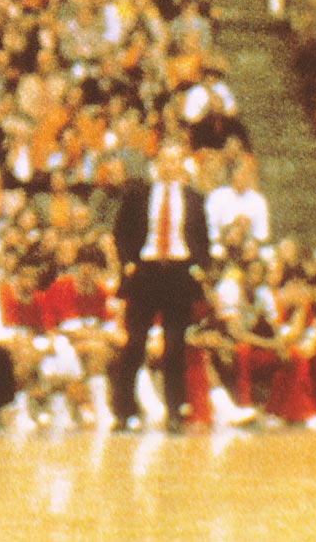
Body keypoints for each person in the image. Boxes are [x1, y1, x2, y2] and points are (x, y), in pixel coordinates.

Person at [109, 141, 210, 431]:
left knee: (175, 344)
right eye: (164, 160)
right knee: (135, 343)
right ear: (157, 164)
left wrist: (198, 266)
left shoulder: (193, 198)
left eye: (175, 160)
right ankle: (123, 410)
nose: (169, 166)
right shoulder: (139, 194)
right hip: (145, 272)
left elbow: (202, 238)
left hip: (178, 274)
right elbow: (121, 232)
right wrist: (128, 261)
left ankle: (175, 411)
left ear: (181, 165)